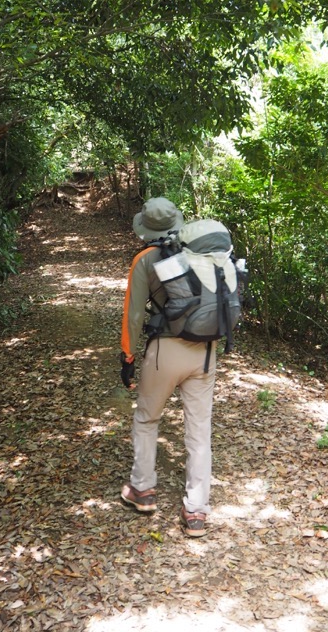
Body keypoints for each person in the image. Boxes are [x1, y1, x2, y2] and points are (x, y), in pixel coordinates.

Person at [119, 196, 217, 537]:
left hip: (165, 350)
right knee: (199, 431)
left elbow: (133, 316)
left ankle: (142, 489)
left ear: (145, 228)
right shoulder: (200, 251)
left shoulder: (145, 259)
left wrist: (127, 357)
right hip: (205, 352)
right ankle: (196, 511)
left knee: (147, 418)